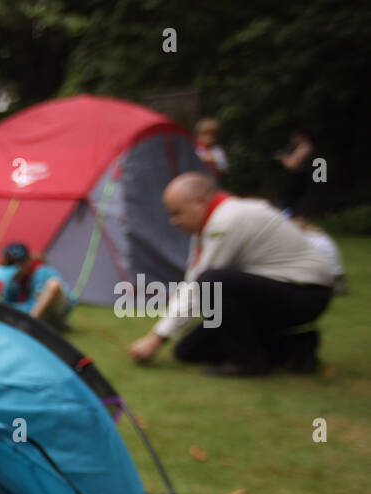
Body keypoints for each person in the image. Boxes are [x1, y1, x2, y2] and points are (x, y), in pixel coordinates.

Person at [127, 173, 334, 375]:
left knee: (212, 281)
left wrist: (156, 338)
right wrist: (161, 333)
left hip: (306, 293)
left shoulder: (224, 222)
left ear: (200, 202)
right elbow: (193, 280)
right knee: (189, 351)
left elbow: (199, 287)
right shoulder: (210, 223)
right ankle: (298, 347)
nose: (173, 221)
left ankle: (247, 362)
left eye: (177, 212)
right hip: (282, 290)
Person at [0, 242, 74, 332]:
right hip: (29, 309)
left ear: (24, 263)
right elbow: (6, 303)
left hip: (56, 308)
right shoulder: (13, 280)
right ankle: (45, 322)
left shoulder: (41, 273)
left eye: (11, 265)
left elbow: (33, 304)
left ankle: (36, 323)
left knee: (53, 285)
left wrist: (8, 311)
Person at [275, 130, 314, 217]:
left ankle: (286, 220)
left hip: (296, 179)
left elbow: (291, 165)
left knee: (286, 204)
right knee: (286, 203)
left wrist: (283, 157)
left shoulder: (305, 147)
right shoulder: (298, 147)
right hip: (293, 179)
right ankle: (286, 219)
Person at [193, 118, 229, 182]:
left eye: (213, 134)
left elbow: (224, 168)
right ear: (198, 134)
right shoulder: (193, 149)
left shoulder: (217, 151)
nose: (210, 136)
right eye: (206, 133)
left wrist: (212, 160)